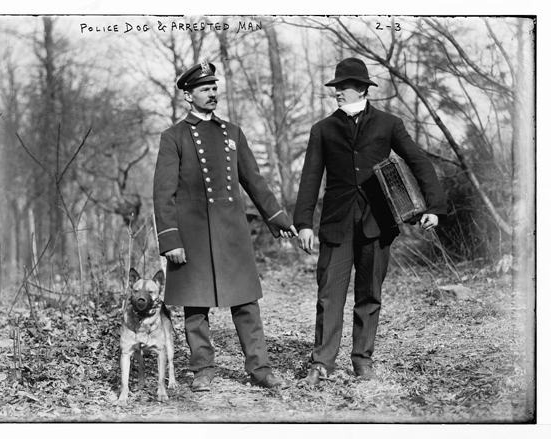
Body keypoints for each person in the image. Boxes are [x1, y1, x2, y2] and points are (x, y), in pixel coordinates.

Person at [294, 57, 447, 385]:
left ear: (362, 89)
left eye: (343, 87)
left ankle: (362, 360)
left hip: (378, 223)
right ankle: (321, 363)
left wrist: (434, 206)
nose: (337, 92)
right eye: (335, 87)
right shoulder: (322, 129)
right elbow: (309, 177)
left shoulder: (389, 124)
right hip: (336, 224)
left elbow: (418, 160)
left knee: (369, 294)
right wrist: (304, 222)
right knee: (329, 295)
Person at [153, 60, 298, 392]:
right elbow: (162, 193)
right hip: (193, 235)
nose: (212, 93)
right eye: (205, 89)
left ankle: (260, 369)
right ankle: (202, 368)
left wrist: (278, 219)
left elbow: (255, 182)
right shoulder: (173, 137)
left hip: (232, 233)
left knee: (247, 303)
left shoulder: (232, 132)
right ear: (188, 96)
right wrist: (170, 239)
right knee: (196, 305)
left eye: (214, 87)